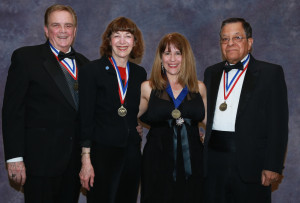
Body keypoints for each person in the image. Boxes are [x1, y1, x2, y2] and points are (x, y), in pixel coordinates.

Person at [2, 4, 89, 203]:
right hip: (39, 162)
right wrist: (14, 159)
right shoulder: (26, 58)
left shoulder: (86, 64)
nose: (63, 31)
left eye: (68, 25)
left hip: (74, 163)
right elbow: (12, 111)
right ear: (46, 29)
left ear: (75, 30)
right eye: (56, 25)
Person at [203, 17, 288, 203]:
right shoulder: (211, 72)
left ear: (250, 43)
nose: (230, 43)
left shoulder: (270, 73)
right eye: (225, 39)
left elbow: (278, 124)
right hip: (213, 161)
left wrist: (273, 165)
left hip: (252, 163)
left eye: (237, 37)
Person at [79, 17, 147, 203]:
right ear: (109, 41)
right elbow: (85, 118)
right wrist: (86, 160)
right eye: (117, 36)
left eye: (128, 36)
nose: (123, 41)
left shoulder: (140, 73)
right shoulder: (91, 71)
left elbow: (135, 111)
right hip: (102, 155)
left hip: (132, 153)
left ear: (135, 41)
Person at [138, 32, 207, 203]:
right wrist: (134, 128)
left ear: (186, 57)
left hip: (193, 158)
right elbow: (125, 118)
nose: (172, 59)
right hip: (157, 159)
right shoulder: (147, 87)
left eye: (178, 53)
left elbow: (211, 123)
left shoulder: (199, 88)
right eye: (167, 53)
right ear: (160, 58)